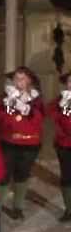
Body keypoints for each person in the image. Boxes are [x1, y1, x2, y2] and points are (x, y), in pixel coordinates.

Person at [0, 67, 43, 219]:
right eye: (15, 78)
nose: (18, 81)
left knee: (22, 174)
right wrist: (12, 119)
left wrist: (24, 111)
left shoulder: (36, 99)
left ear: (29, 81)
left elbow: (38, 120)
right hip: (8, 142)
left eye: (21, 78)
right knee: (3, 174)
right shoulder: (6, 96)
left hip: (29, 144)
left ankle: (18, 207)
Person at [50, 73, 71, 222]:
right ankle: (69, 209)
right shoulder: (60, 100)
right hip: (65, 144)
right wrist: (61, 106)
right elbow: (52, 114)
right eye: (70, 81)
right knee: (67, 176)